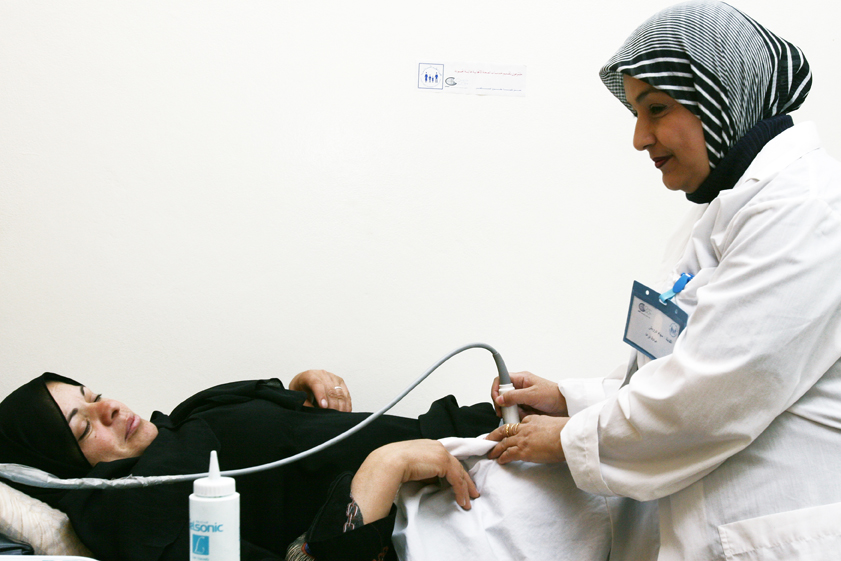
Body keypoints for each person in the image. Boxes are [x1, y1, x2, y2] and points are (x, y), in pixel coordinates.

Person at [488, 1, 841, 559]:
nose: (639, 138)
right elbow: (669, 366)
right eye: (635, 113)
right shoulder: (724, 211)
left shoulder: (809, 209)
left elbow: (714, 392)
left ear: (721, 95)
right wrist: (570, 399)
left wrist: (569, 439)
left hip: (775, 530)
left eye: (656, 109)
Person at [0, 371, 500, 561]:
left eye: (94, 396)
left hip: (479, 437)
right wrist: (382, 469)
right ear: (60, 474)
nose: (107, 409)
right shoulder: (135, 518)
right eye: (84, 429)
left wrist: (301, 395)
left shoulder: (184, 417)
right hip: (460, 505)